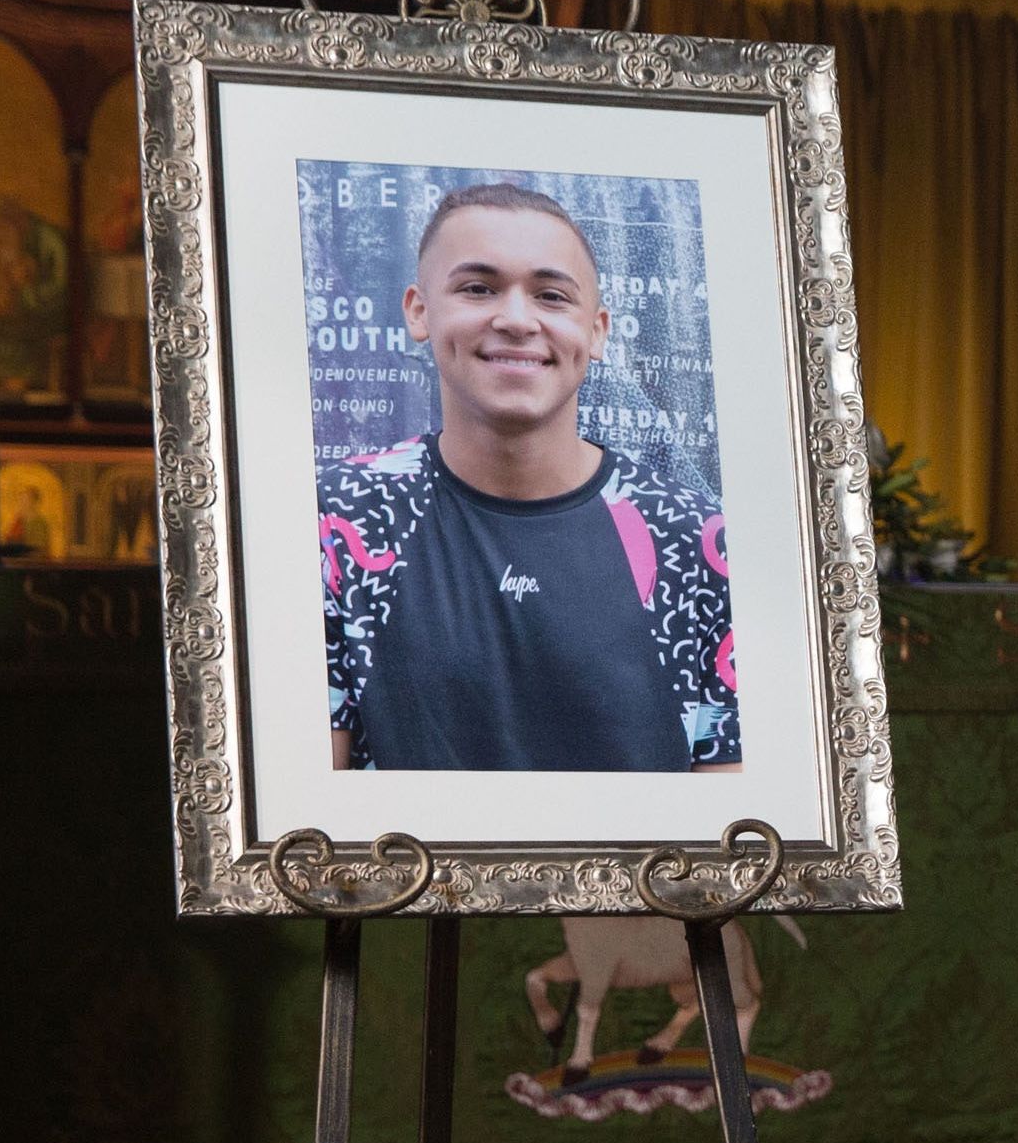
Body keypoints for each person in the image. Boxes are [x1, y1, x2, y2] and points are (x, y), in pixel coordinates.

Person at [315, 181, 738, 774]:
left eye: (551, 296)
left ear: (596, 329)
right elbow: (302, 827)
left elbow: (738, 830)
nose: (516, 320)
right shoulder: (337, 521)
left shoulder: (696, 541)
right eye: (478, 288)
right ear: (419, 311)